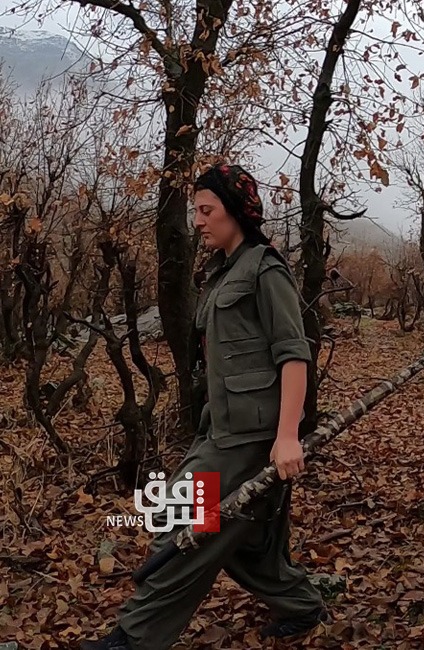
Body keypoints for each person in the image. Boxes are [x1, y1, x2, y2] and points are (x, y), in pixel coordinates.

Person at [82, 164, 327, 650]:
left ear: (236, 211)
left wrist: (285, 437)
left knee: (177, 524)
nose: (198, 220)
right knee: (246, 542)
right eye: (196, 210)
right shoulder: (222, 272)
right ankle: (302, 607)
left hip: (250, 440)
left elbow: (295, 355)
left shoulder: (265, 269)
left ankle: (134, 638)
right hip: (220, 430)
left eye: (206, 210)